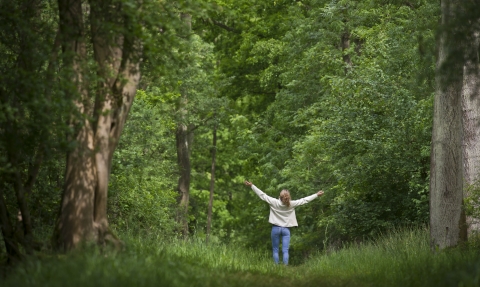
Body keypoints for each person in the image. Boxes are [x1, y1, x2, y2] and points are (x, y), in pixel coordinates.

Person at [244, 180, 324, 265]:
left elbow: (262, 195)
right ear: (288, 197)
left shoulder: (274, 202)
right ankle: (285, 267)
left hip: (275, 229)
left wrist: (252, 186)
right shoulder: (292, 204)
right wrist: (316, 195)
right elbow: (304, 200)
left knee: (275, 249)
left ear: (280, 196)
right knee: (285, 250)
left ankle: (276, 267)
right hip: (286, 230)